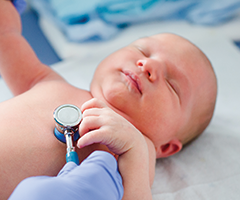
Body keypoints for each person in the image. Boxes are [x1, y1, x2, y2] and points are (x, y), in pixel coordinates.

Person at [0, 0, 217, 199]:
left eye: (172, 85)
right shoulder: (47, 81)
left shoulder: (136, 151)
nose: (148, 65)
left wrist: (136, 152)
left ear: (166, 147)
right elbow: (7, 38)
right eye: (142, 50)